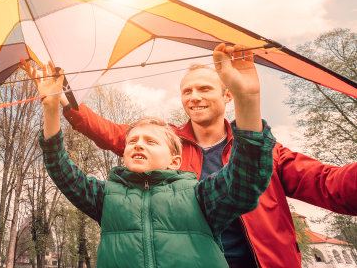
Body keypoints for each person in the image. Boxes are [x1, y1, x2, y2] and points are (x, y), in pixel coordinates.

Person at [43, 47, 357, 267]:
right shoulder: (166, 144)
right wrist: (65, 104)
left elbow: (329, 184)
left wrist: (252, 106)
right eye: (187, 91)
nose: (194, 97)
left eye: (205, 89)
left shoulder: (260, 149)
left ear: (228, 94)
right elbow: (109, 133)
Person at [25, 44, 276, 268]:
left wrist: (247, 99)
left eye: (151, 141)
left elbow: (245, 178)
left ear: (175, 161)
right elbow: (61, 170)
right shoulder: (105, 197)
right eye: (132, 141)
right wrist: (51, 108)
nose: (138, 145)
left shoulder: (200, 197)